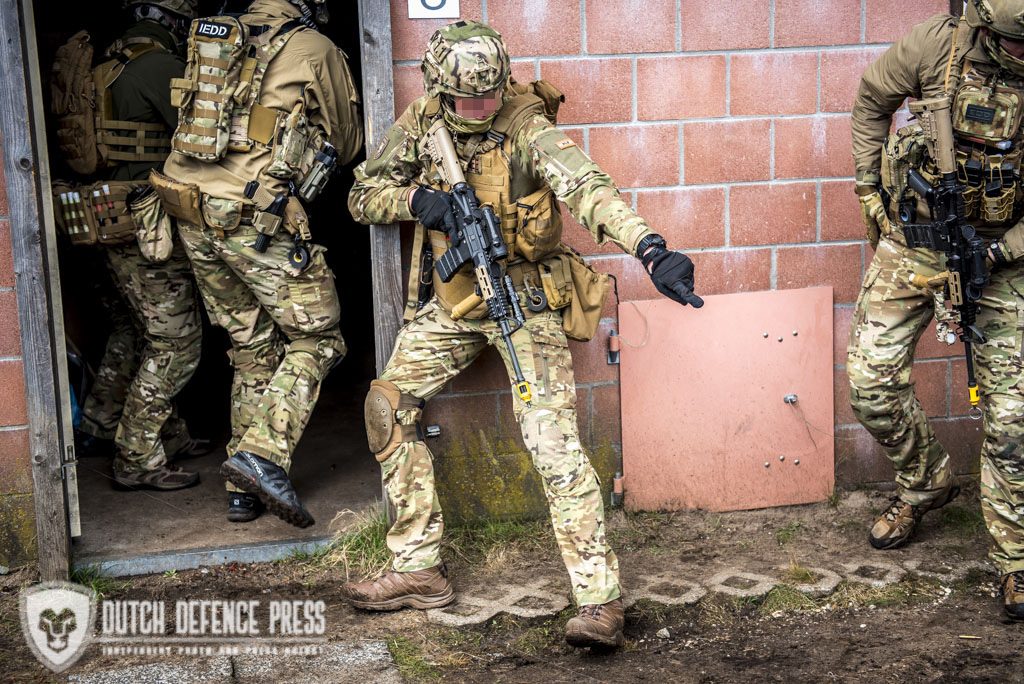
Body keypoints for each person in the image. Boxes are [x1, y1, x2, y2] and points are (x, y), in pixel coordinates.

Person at [344, 20, 702, 649]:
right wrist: (419, 202)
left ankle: (599, 600)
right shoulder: (421, 120)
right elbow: (362, 195)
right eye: (465, 100)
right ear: (439, 88)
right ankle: (417, 567)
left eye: (488, 96)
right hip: (456, 302)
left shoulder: (528, 129)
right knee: (386, 407)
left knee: (552, 442)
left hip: (524, 300)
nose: (479, 108)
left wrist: (650, 248)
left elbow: (589, 189)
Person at [849, 1, 1024, 620]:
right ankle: (926, 482)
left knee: (1013, 421)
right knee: (870, 384)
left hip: (1003, 258)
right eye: (1016, 43)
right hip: (914, 242)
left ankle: (1016, 560)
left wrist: (998, 251)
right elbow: (872, 101)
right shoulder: (936, 46)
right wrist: (868, 187)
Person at [157, 0, 362, 525]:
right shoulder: (314, 46)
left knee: (252, 347)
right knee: (319, 339)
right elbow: (348, 143)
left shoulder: (218, 35)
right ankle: (261, 456)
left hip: (190, 209)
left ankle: (242, 491)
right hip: (253, 217)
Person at [52, 0, 208, 491]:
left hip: (106, 220)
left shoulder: (105, 65)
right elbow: (203, 139)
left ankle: (111, 425)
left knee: (140, 332)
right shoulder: (160, 66)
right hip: (144, 225)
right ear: (174, 22)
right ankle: (137, 456)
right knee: (176, 342)